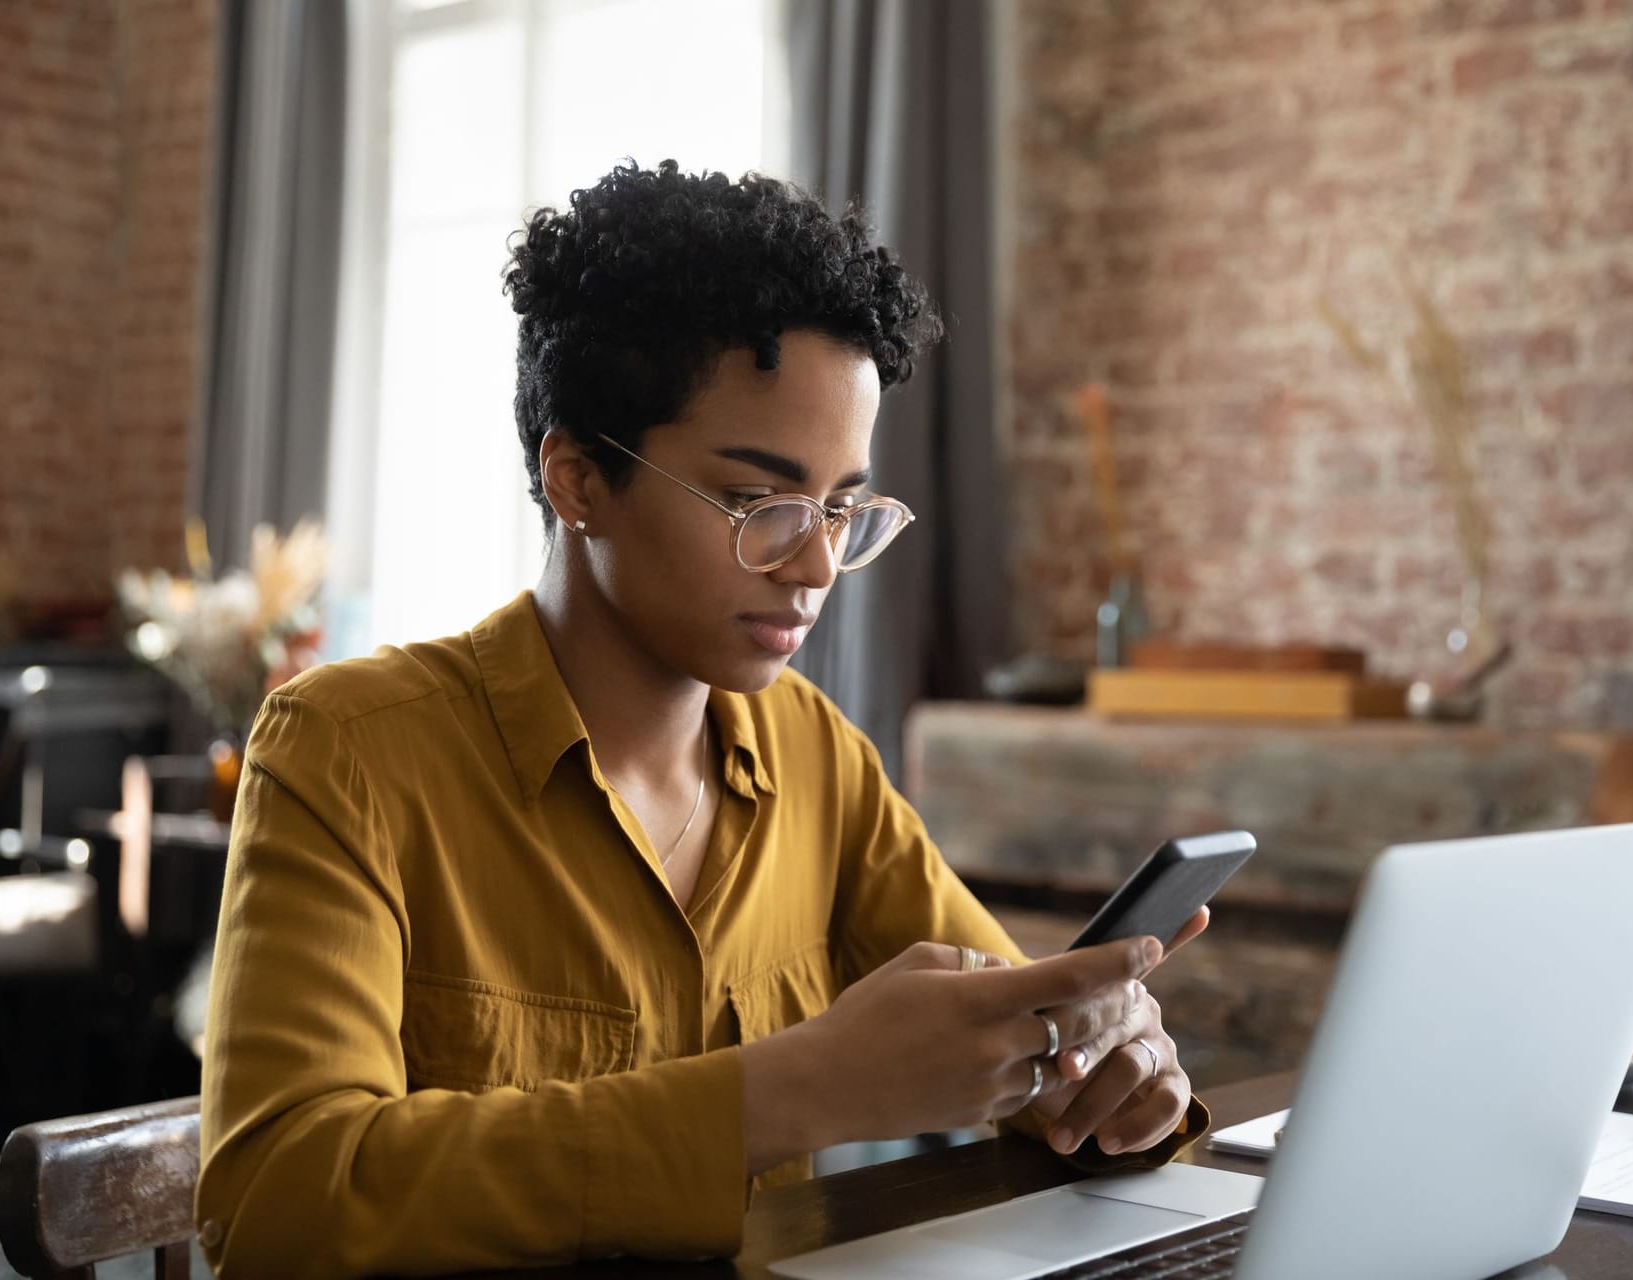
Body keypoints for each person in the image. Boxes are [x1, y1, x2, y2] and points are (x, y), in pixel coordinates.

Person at [195, 160, 1211, 1278]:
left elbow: (1004, 1017)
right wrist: (802, 1085)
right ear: (578, 479)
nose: (818, 564)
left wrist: (1103, 1068)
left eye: (839, 505)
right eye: (755, 502)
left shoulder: (816, 756)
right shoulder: (350, 751)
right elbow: (277, 1202)